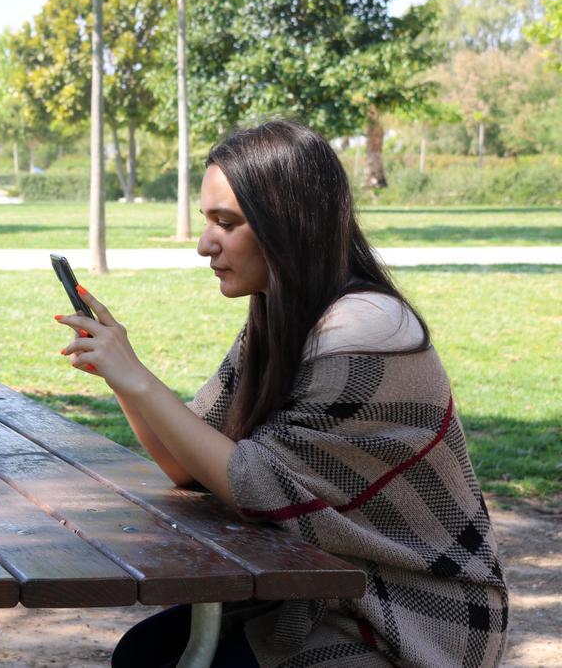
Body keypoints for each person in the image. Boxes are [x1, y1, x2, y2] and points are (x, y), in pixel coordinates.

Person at [55, 120, 507, 667]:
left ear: (289, 225)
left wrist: (140, 379)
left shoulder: (364, 333)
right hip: (328, 590)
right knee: (147, 652)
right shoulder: (281, 312)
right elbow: (189, 465)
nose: (204, 245)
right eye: (207, 221)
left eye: (227, 223)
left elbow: (256, 486)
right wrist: (122, 377)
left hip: (415, 617)